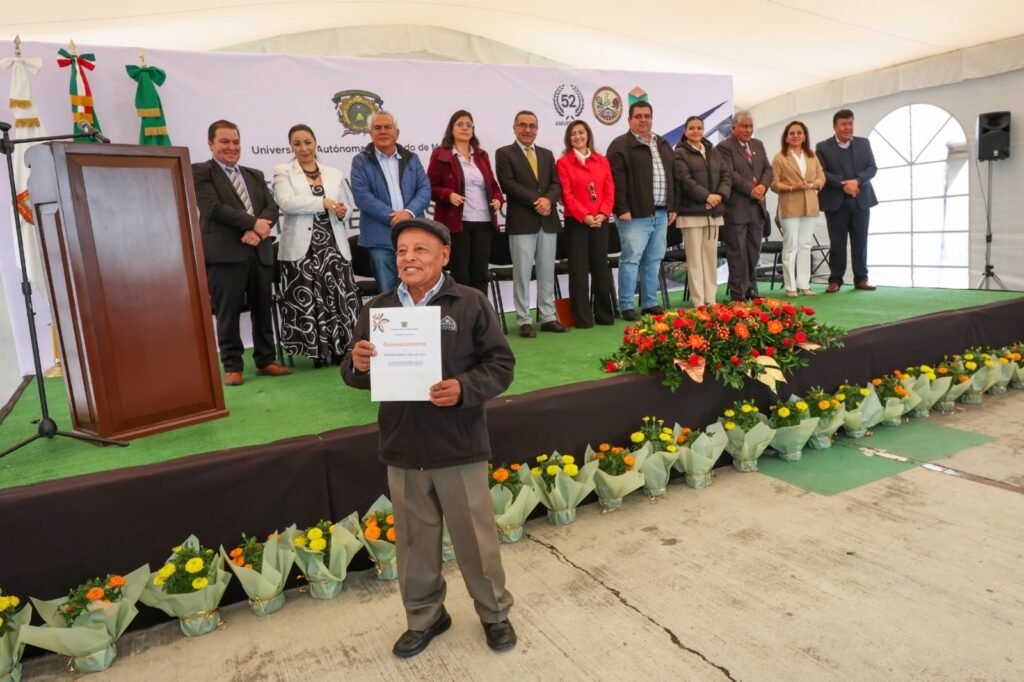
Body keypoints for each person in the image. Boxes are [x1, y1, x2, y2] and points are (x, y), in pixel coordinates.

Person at [341, 218, 516, 658]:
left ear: (444, 256)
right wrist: (358, 366)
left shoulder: (470, 303)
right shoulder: (379, 309)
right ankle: (425, 616)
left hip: (458, 444)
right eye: (402, 251)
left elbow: (501, 365)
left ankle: (494, 613)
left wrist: (463, 389)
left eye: (420, 250)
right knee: (415, 544)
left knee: (475, 541)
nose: (408, 258)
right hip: (403, 447)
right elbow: (354, 373)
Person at [193, 119, 291, 386]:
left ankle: (265, 360)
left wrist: (258, 231)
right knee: (228, 311)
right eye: (225, 141)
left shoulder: (254, 174)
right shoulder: (201, 172)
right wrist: (252, 223)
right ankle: (233, 365)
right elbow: (212, 207)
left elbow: (271, 207)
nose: (231, 147)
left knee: (263, 306)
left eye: (235, 141)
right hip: (225, 254)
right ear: (211, 144)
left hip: (259, 251)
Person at [272, 124, 360, 365]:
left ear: (316, 143)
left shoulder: (333, 173)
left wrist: (341, 210)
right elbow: (287, 203)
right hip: (303, 248)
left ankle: (341, 347)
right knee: (309, 298)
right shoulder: (283, 171)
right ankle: (317, 351)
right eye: (297, 144)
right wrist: (323, 202)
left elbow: (345, 205)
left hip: (334, 244)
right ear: (290, 146)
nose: (303, 148)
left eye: (308, 142)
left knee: (338, 296)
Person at [495, 111, 566, 337]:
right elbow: (508, 184)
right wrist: (538, 200)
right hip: (522, 222)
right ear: (515, 128)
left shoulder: (546, 154)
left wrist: (548, 199)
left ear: (537, 129)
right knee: (523, 273)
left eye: (532, 126)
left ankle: (547, 317)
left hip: (548, 220)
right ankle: (524, 319)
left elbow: (556, 183)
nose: (527, 130)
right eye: (523, 125)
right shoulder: (504, 153)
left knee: (547, 272)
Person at [606, 101, 677, 320]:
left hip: (661, 212)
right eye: (638, 116)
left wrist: (673, 205)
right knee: (631, 259)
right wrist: (621, 207)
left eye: (647, 116)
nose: (643, 120)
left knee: (654, 259)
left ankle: (649, 303)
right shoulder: (619, 145)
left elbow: (672, 177)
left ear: (652, 118)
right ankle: (626, 305)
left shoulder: (663, 144)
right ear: (629, 120)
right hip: (634, 215)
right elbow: (615, 180)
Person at [350, 111, 431, 291]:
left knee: (418, 289)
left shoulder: (412, 159)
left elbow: (424, 190)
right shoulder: (360, 161)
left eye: (388, 127)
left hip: (413, 234)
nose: (383, 131)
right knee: (389, 293)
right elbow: (362, 196)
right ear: (371, 133)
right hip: (380, 239)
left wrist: (408, 214)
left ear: (397, 132)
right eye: (377, 128)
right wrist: (394, 217)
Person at [427, 110, 504, 295]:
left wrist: (498, 199)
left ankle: (481, 319)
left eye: (469, 125)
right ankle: (463, 318)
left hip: (484, 222)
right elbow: (429, 187)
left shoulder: (481, 155)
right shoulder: (441, 155)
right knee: (461, 274)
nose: (465, 128)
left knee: (480, 274)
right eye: (460, 124)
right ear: (451, 129)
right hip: (457, 224)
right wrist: (448, 195)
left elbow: (493, 185)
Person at [555, 120, 615, 327]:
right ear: (568, 139)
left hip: (600, 221)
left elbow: (609, 190)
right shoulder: (563, 163)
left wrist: (603, 213)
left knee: (600, 268)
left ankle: (605, 315)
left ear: (588, 134)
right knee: (578, 271)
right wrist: (585, 216)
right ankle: (582, 319)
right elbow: (567, 196)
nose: (578, 137)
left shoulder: (602, 160)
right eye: (573, 134)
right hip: (577, 223)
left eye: (581, 132)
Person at [815, 108, 878, 292]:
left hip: (861, 200)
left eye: (850, 123)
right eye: (843, 124)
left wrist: (857, 181)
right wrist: (844, 184)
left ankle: (861, 279)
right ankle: (835, 280)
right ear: (835, 127)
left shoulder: (864, 144)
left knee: (861, 241)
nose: (848, 127)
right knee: (837, 242)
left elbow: (872, 168)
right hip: (836, 202)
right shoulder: (823, 147)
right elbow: (822, 173)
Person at [673, 116, 731, 307]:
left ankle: (711, 298)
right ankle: (699, 301)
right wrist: (707, 196)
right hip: (691, 215)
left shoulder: (713, 151)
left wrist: (719, 196)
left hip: (713, 214)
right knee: (695, 261)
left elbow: (725, 176)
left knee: (710, 258)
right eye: (692, 128)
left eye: (699, 127)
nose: (696, 131)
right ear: (685, 130)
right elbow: (685, 180)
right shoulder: (679, 153)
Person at [716, 111, 772, 301]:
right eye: (744, 126)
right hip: (737, 209)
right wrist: (753, 189)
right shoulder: (724, 147)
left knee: (753, 252)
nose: (748, 130)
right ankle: (738, 294)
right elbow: (729, 174)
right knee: (738, 253)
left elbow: (767, 169)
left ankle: (751, 289)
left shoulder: (758, 144)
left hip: (757, 209)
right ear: (734, 128)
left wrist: (763, 186)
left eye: (750, 126)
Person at [770, 121, 826, 298]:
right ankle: (790, 285)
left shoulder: (812, 156)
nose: (796, 136)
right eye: (792, 133)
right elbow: (774, 183)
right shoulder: (780, 157)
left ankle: (804, 283)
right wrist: (792, 186)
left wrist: (812, 184)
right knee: (791, 245)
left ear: (805, 136)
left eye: (799, 133)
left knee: (805, 245)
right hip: (790, 204)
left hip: (810, 204)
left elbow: (821, 178)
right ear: (786, 137)